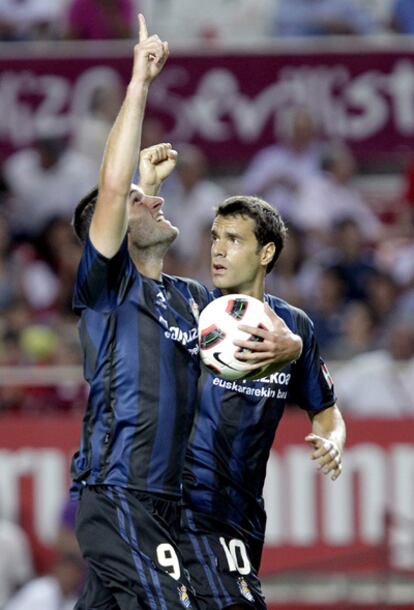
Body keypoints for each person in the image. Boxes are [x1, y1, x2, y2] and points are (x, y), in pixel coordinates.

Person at [70, 15, 301, 610]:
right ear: (117, 227)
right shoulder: (107, 285)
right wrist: (139, 83)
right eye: (143, 200)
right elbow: (115, 192)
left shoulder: (195, 300)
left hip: (173, 503)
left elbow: (277, 324)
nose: (158, 198)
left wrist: (293, 348)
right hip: (121, 492)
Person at [179, 195, 346, 609]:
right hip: (186, 508)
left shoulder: (294, 328)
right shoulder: (189, 310)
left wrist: (332, 441)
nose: (217, 249)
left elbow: (326, 411)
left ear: (266, 252)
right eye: (215, 237)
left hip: (243, 514)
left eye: (234, 239)